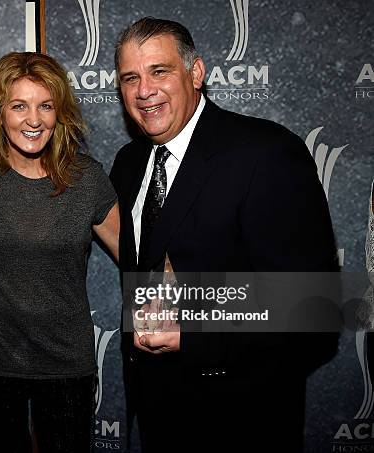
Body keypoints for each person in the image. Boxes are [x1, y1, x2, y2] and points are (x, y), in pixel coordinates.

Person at [109, 17, 338, 452]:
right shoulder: (130, 162)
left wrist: (192, 331)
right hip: (159, 410)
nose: (144, 91)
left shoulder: (266, 152)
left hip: (243, 416)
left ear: (196, 73)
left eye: (160, 72)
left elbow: (315, 304)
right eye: (130, 78)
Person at [0, 52, 119, 453]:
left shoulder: (87, 179)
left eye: (45, 105)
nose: (34, 119)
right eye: (19, 106)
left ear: (59, 113)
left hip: (65, 364)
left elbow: (139, 256)